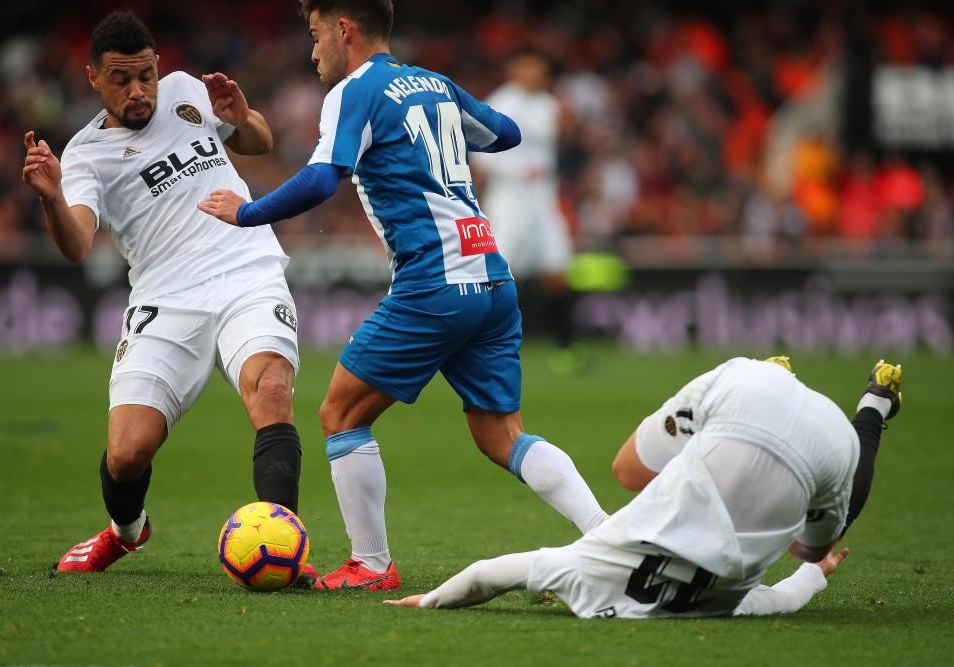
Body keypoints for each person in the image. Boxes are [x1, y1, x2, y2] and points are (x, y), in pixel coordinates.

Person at [198, 0, 608, 591]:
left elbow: (321, 177)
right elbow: (508, 133)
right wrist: (439, 132)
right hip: (491, 275)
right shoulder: (434, 83)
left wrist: (248, 212)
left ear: (344, 30)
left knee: (340, 413)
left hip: (434, 281)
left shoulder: (354, 91)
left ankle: (371, 564)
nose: (313, 53)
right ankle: (607, 534)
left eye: (315, 37)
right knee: (502, 435)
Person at [22, 11, 313, 583]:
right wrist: (52, 198)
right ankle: (126, 533)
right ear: (92, 79)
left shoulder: (185, 91)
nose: (139, 91)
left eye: (147, 76)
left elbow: (259, 140)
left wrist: (240, 116)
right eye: (122, 80)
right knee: (128, 453)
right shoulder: (84, 156)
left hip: (244, 269)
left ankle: (286, 548)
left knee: (272, 388)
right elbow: (78, 243)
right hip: (165, 296)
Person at [384, 358, 902, 617]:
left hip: (827, 443)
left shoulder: (724, 603)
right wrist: (429, 601)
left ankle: (871, 410)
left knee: (811, 538)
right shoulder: (588, 571)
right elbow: (487, 575)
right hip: (742, 392)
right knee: (639, 472)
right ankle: (768, 385)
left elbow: (785, 594)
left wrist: (816, 572)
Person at [472, 51, 579, 371]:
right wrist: (519, 171)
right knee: (498, 273)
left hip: (542, 199)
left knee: (557, 269)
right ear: (514, 69)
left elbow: (560, 140)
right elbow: (480, 155)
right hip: (510, 198)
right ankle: (480, 344)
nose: (537, 73)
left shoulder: (549, 104)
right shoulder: (500, 104)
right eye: (530, 67)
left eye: (541, 69)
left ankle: (567, 349)